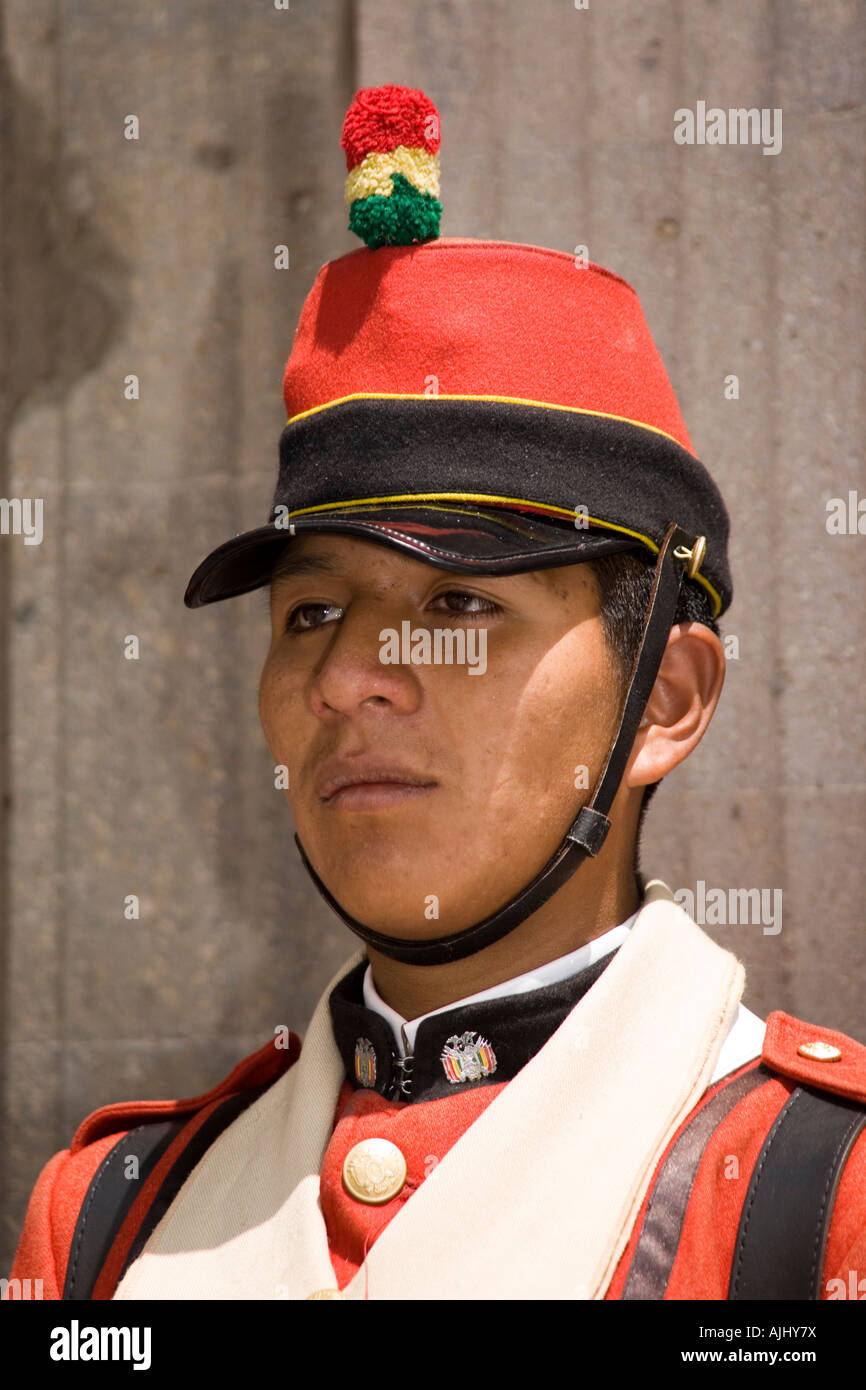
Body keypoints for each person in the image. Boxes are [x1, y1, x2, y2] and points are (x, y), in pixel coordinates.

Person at [6, 83, 866, 1303]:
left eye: (459, 605)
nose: (347, 677)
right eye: (309, 612)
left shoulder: (823, 1198)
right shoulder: (104, 1218)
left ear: (663, 697)